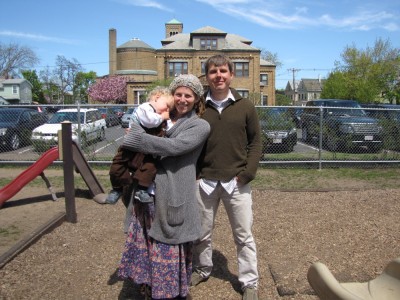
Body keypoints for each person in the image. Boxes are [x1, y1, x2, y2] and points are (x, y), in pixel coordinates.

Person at [118, 74, 210, 300]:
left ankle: (168, 291)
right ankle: (148, 288)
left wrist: (136, 138)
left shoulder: (200, 126)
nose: (182, 99)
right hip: (147, 193)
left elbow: (174, 146)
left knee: (167, 243)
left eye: (188, 95)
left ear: (196, 98)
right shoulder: (160, 118)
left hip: (173, 194)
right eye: (178, 94)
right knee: (147, 242)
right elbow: (140, 126)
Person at [191, 55, 262, 300]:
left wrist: (248, 173)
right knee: (201, 232)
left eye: (223, 71)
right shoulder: (198, 107)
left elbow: (255, 142)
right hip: (205, 181)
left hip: (237, 182)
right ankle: (201, 268)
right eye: (213, 71)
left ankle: (249, 282)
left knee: (243, 236)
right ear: (207, 76)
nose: (218, 75)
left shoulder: (245, 106)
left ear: (231, 75)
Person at [105, 87, 174, 205]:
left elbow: (167, 129)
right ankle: (117, 188)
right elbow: (149, 121)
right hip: (130, 146)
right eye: (167, 106)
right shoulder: (145, 108)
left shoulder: (158, 116)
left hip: (147, 150)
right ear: (157, 97)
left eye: (169, 109)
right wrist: (163, 117)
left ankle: (142, 189)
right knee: (118, 165)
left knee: (149, 167)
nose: (167, 110)